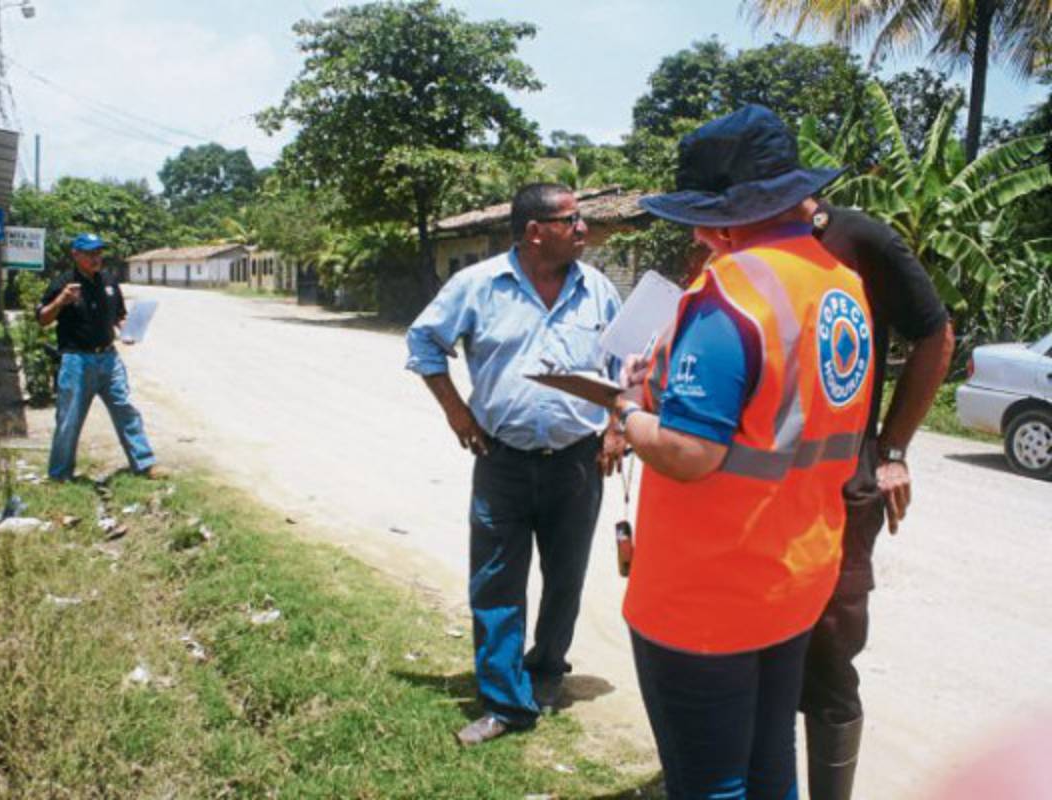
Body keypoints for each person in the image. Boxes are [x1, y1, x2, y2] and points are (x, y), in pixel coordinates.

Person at [612, 105, 875, 798]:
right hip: (792, 577)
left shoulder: (731, 291)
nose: (696, 233)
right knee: (767, 765)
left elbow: (691, 452)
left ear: (730, 216)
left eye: (701, 215)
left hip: (707, 592)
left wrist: (629, 413)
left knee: (711, 784)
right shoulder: (842, 285)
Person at [406, 183, 624, 746]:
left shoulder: (598, 290)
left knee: (565, 577)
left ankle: (547, 669)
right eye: (571, 221)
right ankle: (504, 700)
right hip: (501, 461)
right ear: (535, 231)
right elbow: (424, 342)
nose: (584, 230)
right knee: (497, 581)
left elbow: (629, 365)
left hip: (578, 462)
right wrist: (458, 413)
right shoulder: (477, 287)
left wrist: (617, 427)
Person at [799, 197, 953, 798]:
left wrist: (891, 450)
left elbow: (936, 334)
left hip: (843, 481)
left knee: (831, 649)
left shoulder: (858, 238)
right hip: (758, 488)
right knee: (759, 651)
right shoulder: (736, 244)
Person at [38, 233, 157, 481]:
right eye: (90, 253)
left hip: (109, 359)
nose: (96, 258)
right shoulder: (64, 283)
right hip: (76, 361)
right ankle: (60, 475)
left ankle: (144, 464)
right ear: (76, 254)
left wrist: (128, 329)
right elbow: (42, 319)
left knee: (126, 409)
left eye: (99, 252)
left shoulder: (110, 282)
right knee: (69, 418)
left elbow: (118, 316)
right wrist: (61, 301)